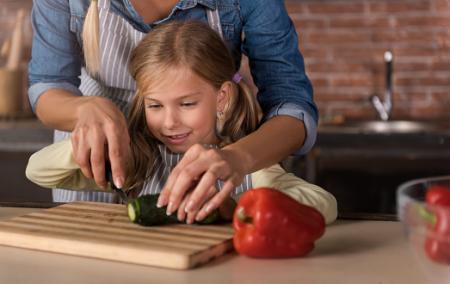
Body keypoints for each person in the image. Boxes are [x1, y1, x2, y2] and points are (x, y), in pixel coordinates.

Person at [26, 21, 337, 224]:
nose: (170, 121)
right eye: (155, 106)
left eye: (187, 104)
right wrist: (104, 142)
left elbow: (324, 206)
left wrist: (239, 207)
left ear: (221, 98)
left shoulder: (247, 166)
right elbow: (37, 171)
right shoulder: (138, 161)